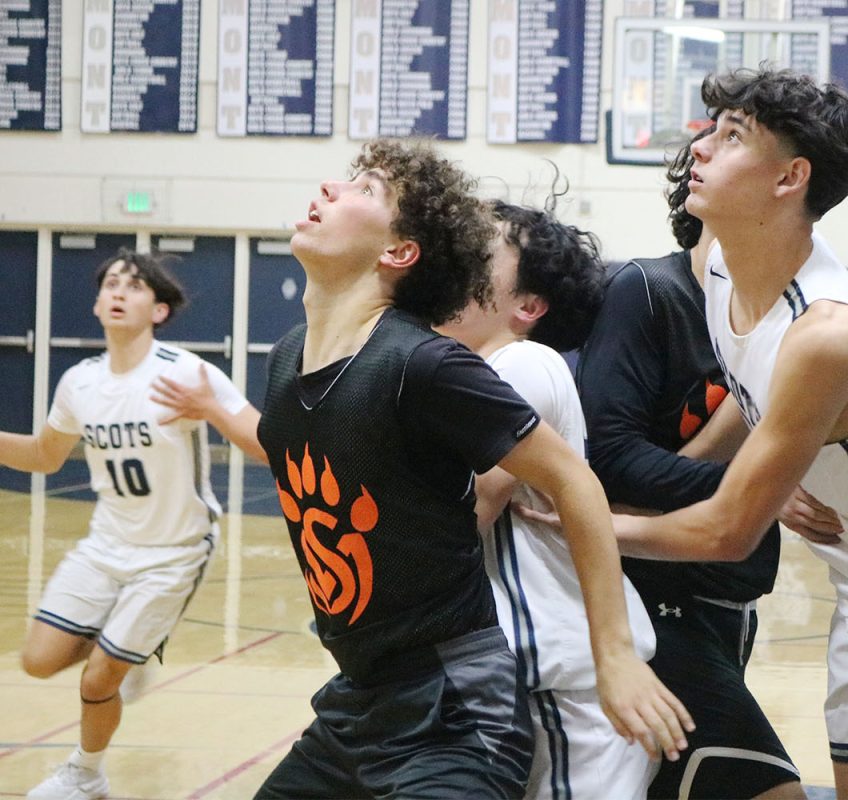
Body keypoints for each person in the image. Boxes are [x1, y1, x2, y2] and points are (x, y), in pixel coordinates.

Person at [529, 68, 848, 800]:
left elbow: (728, 533)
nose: (700, 148)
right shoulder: (728, 278)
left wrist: (586, 524)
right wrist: (703, 461)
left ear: (789, 179)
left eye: (731, 136)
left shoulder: (828, 334)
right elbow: (753, 388)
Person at [253, 139, 691, 799]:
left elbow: (574, 479)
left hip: (454, 707)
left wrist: (615, 655)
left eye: (365, 189)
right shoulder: (289, 357)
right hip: (361, 695)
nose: (329, 189)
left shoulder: (426, 363)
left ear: (398, 252)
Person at [574, 127, 820, 800]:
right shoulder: (646, 292)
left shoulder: (795, 320)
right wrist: (754, 490)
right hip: (649, 593)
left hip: (728, 591)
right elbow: (611, 457)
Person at [3, 248, 264, 800]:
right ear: (97, 304)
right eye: (111, 285)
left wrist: (210, 409)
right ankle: (129, 650)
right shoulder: (80, 381)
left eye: (135, 286)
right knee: (37, 660)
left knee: (99, 677)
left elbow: (266, 444)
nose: (119, 292)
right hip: (105, 546)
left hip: (175, 552)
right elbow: (46, 457)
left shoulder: (186, 372)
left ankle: (85, 774)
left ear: (159, 310)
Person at [438, 196, 664, 799]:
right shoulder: (456, 372)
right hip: (534, 682)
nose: (458, 248)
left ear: (527, 306)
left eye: (483, 247)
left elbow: (464, 518)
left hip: (573, 686)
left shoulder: (523, 362)